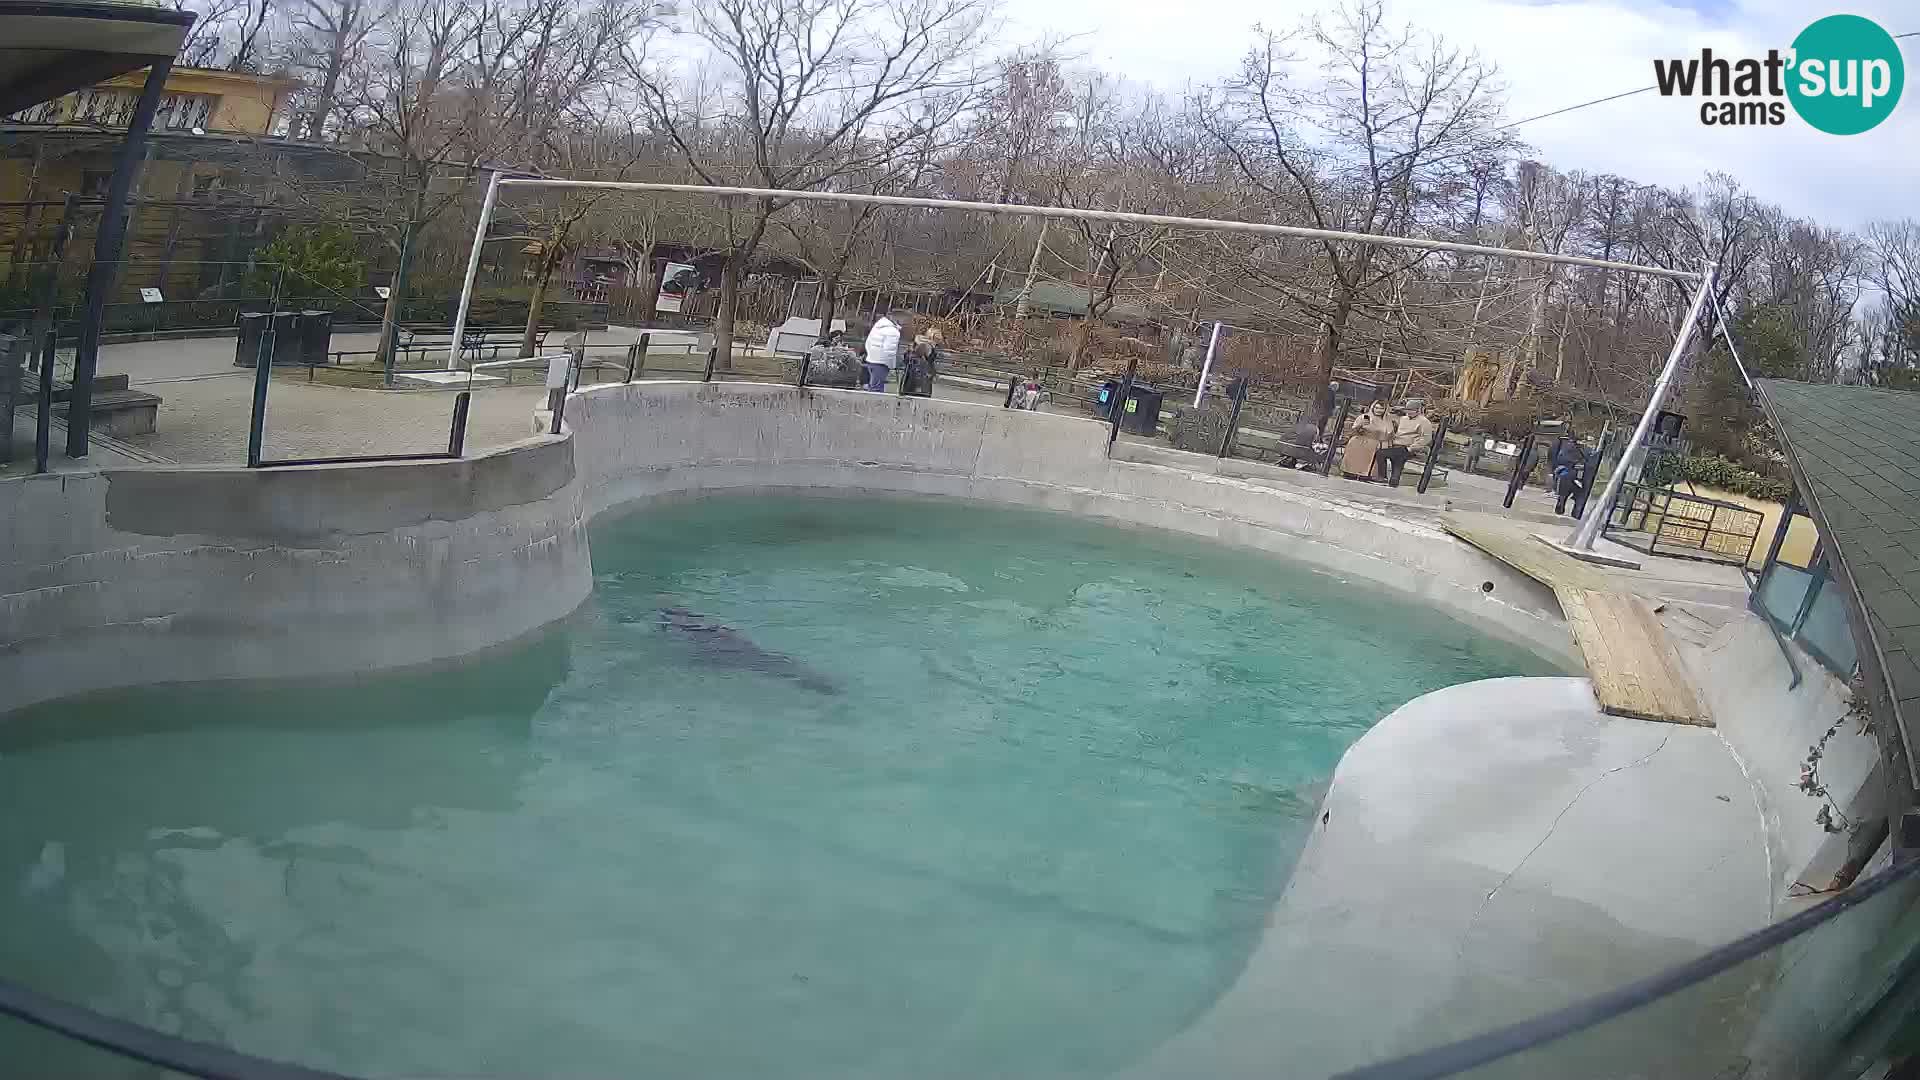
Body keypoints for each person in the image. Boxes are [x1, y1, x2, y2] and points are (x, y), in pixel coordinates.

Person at [1383, 398, 1437, 487]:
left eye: (1411, 410)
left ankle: (1389, 478)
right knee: (1394, 459)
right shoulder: (1403, 419)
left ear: (1417, 410)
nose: (1408, 412)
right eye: (1407, 410)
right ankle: (1393, 480)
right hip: (1397, 444)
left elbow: (1426, 438)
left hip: (1409, 447)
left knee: (1391, 455)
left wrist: (1412, 448)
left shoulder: (1424, 422)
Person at [1340, 400, 1394, 480]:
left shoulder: (1387, 421)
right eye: (1376, 408)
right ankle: (1349, 473)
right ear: (1373, 408)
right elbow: (1353, 430)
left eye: (1381, 408)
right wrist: (1360, 425)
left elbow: (1389, 435)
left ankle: (1365, 475)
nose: (1378, 410)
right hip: (1360, 440)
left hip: (1375, 443)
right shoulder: (1364, 417)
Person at [862, 308, 907, 392]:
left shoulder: (879, 326)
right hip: (881, 362)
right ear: (899, 318)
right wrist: (892, 365)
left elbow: (868, 342)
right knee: (877, 388)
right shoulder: (893, 331)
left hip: (871, 359)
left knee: (873, 384)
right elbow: (889, 351)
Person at [1551, 433, 1584, 515]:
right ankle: (1566, 508)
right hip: (1571, 473)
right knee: (1569, 493)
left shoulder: (1565, 448)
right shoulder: (1576, 449)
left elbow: (1559, 459)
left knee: (1563, 493)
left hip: (1565, 472)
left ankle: (1560, 506)